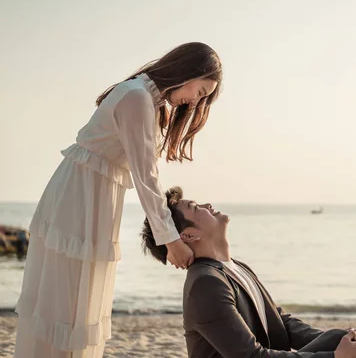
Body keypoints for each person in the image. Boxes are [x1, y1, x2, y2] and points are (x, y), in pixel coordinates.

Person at [14, 43, 222, 358]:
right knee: (66, 305)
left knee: (81, 307)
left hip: (92, 199)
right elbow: (145, 175)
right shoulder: (136, 97)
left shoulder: (146, 100)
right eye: (202, 90)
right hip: (78, 200)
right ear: (190, 72)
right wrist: (170, 240)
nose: (196, 101)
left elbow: (145, 172)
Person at [141, 186, 356, 358]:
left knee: (344, 339)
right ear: (189, 236)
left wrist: (344, 342)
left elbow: (280, 322)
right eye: (196, 208)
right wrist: (336, 357)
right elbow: (251, 357)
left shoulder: (235, 267)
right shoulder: (205, 285)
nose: (207, 206)